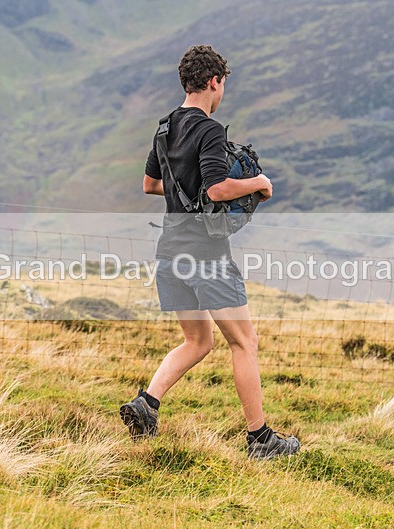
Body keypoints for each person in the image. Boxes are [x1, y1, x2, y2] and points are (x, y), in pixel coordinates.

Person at [119, 44, 300, 459]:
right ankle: (261, 439)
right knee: (244, 342)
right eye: (223, 86)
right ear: (215, 81)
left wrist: (185, 187)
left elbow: (151, 184)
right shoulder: (210, 130)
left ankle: (146, 404)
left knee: (198, 341)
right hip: (206, 253)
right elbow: (218, 189)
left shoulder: (164, 128)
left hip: (170, 251)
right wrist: (259, 184)